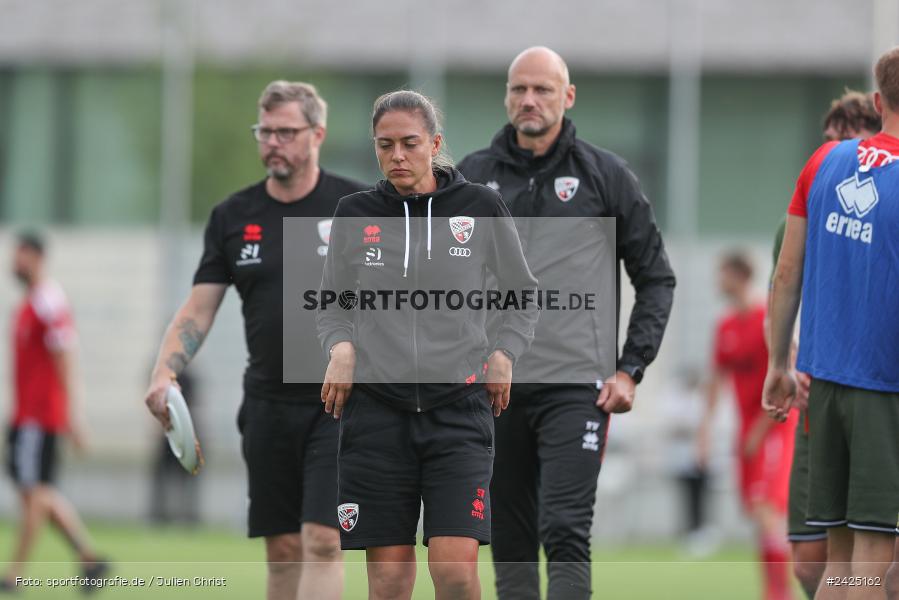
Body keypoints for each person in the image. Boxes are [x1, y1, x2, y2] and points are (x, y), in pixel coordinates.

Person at [457, 46, 675, 599]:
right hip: (493, 388)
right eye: (519, 90)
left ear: (567, 96)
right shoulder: (472, 178)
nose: (529, 100)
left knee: (564, 528)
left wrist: (630, 369)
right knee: (507, 533)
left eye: (543, 89)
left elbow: (656, 278)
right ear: (507, 97)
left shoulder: (605, 176)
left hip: (576, 387)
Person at [143, 81, 366, 600]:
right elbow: (199, 307)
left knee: (324, 540)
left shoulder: (354, 207)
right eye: (264, 132)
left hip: (338, 406)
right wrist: (164, 370)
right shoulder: (232, 216)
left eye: (286, 132)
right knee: (283, 550)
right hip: (266, 404)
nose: (273, 143)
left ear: (318, 134)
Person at [316, 90, 539, 599]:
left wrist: (505, 352)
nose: (397, 156)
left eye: (410, 143)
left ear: (434, 143)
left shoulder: (479, 206)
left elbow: (523, 294)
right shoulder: (355, 212)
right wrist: (341, 348)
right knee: (391, 581)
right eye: (385, 145)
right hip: (376, 416)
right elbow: (331, 304)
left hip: (457, 415)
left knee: (456, 575)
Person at [766, 47, 899, 600]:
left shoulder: (823, 163)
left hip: (824, 389)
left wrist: (778, 364)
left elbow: (786, 273)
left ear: (877, 100)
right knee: (875, 555)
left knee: (839, 561)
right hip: (885, 388)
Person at [2, 232, 108, 594]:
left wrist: (72, 414)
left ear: (35, 257)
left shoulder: (48, 302)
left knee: (36, 494)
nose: (14, 263)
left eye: (20, 255)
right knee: (39, 494)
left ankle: (13, 573)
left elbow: (65, 357)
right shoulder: (31, 304)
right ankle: (89, 559)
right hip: (26, 417)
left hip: (40, 417)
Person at [697, 252, 797, 600]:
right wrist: (705, 429)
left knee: (769, 509)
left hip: (775, 424)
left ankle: (780, 593)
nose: (717, 281)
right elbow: (715, 380)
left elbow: (785, 377)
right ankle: (772, 590)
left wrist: (758, 431)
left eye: (722, 273)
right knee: (758, 512)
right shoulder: (724, 326)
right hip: (746, 431)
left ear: (738, 275)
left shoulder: (763, 321)